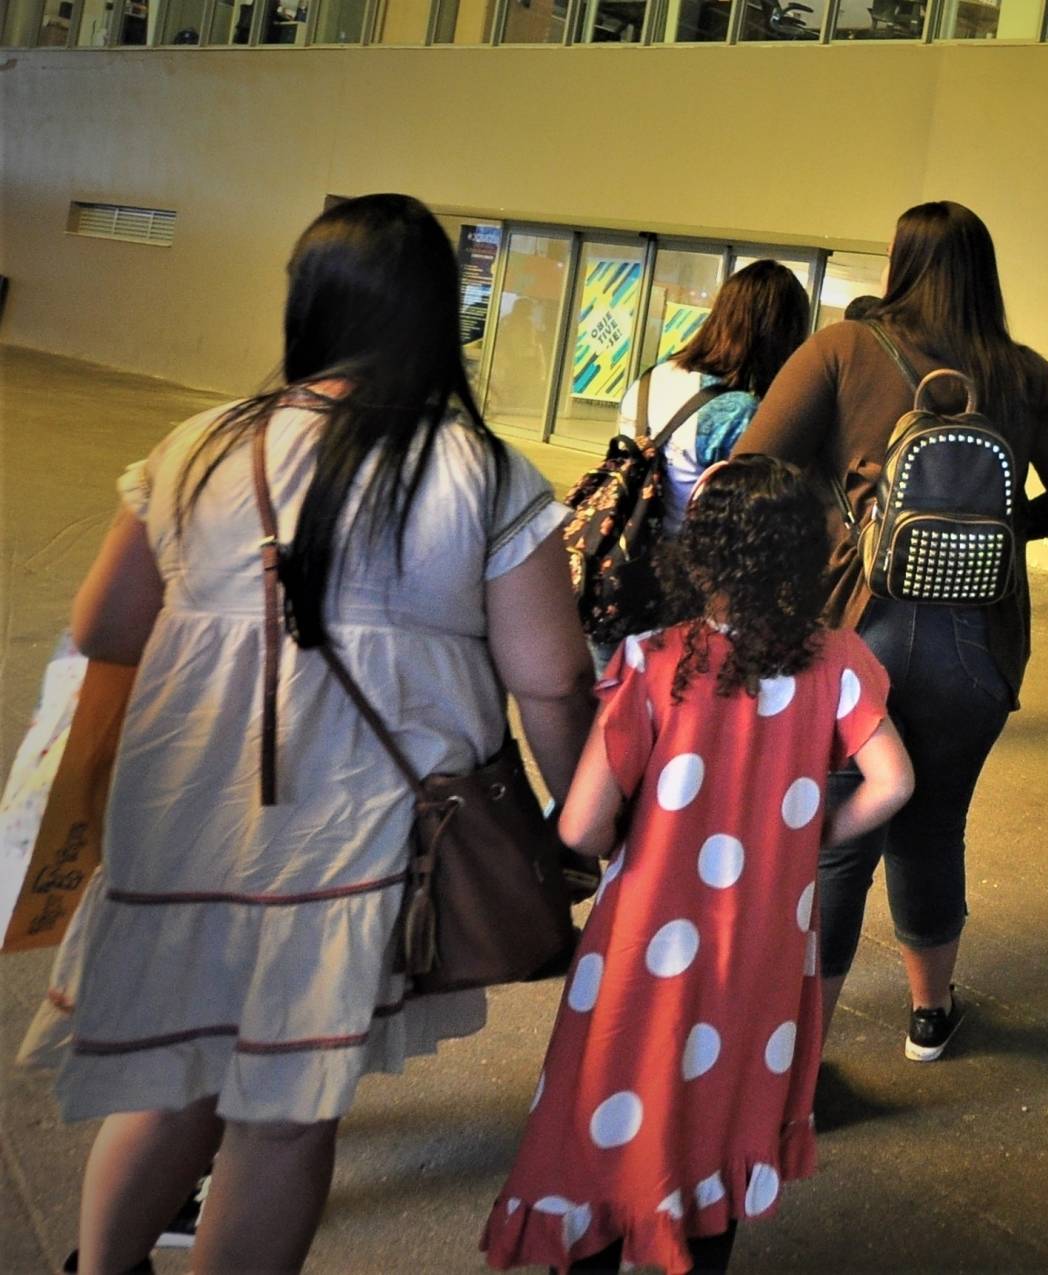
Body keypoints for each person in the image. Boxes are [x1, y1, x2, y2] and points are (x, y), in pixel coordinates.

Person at [17, 193, 598, 1274]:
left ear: (310, 306)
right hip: (353, 845)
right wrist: (585, 823)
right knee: (285, 1111)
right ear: (439, 317)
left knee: (181, 1072)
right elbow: (554, 681)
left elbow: (104, 625)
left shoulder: (198, 444)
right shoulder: (482, 472)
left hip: (185, 815)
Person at [482, 456, 914, 1275]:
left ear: (700, 554)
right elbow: (895, 781)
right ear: (807, 557)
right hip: (761, 951)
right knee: (721, 1112)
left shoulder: (654, 661)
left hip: (644, 947)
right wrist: (811, 835)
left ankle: (600, 1240)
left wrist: (627, 837)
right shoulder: (839, 661)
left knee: (614, 1096)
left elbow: (579, 825)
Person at [736, 200, 1048, 1061]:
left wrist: (829, 528)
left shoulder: (841, 350)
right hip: (979, 645)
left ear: (899, 265)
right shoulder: (1020, 372)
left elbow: (751, 471)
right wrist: (1008, 530)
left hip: (854, 633)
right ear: (983, 275)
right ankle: (929, 1017)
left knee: (838, 842)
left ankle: (801, 1054)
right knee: (936, 824)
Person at [616, 259, 812, 538]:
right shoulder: (736, 411)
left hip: (624, 553)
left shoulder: (652, 378)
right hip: (682, 565)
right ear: (780, 336)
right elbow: (752, 518)